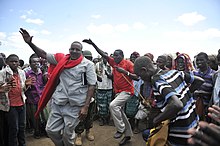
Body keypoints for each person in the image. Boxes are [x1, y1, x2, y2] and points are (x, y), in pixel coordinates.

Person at [20, 28, 97, 146]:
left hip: (75, 105)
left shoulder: (88, 65)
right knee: (50, 130)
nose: (74, 51)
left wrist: (85, 107)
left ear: (81, 51)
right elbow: (43, 54)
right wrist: (30, 43)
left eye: (77, 49)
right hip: (59, 102)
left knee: (68, 134)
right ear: (69, 50)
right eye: (72, 49)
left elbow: (91, 86)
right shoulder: (61, 59)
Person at [133, 56, 204, 145]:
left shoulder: (156, 79)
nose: (140, 78)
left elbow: (177, 104)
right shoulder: (174, 72)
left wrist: (156, 120)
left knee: (149, 135)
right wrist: (185, 94)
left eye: (140, 75)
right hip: (194, 128)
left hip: (181, 134)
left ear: (144, 70)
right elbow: (200, 81)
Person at [83, 39, 138, 145]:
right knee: (121, 113)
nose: (115, 57)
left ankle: (120, 129)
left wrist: (125, 72)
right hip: (118, 92)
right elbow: (102, 53)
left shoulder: (128, 64)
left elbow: (137, 77)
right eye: (114, 56)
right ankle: (127, 135)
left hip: (127, 91)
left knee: (113, 105)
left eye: (117, 56)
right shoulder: (113, 62)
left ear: (122, 55)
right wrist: (93, 44)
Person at [0, 54, 33, 146]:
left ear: (19, 62)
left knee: (22, 127)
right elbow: (1, 88)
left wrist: (27, 85)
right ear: (7, 62)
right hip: (10, 105)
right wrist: (3, 88)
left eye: (16, 61)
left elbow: (23, 89)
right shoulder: (2, 73)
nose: (14, 63)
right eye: (12, 61)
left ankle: (22, 144)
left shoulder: (21, 72)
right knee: (14, 129)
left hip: (22, 103)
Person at [74, 50, 96, 146]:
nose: (88, 60)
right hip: (80, 99)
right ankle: (78, 135)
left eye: (90, 58)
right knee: (80, 117)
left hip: (91, 98)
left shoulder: (92, 68)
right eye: (87, 58)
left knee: (90, 116)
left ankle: (88, 131)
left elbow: (94, 84)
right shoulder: (77, 69)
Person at [25, 53, 48, 139]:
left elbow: (46, 82)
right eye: (33, 62)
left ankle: (45, 131)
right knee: (35, 117)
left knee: (45, 116)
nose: (36, 64)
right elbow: (25, 86)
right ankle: (37, 132)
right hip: (32, 98)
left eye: (37, 62)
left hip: (42, 97)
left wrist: (45, 70)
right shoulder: (27, 73)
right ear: (30, 64)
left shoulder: (42, 72)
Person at [193, 52, 216, 121]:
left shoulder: (214, 75)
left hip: (207, 107)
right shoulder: (194, 73)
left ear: (207, 61)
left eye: (201, 60)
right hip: (194, 106)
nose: (199, 62)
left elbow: (214, 93)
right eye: (197, 60)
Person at [95, 52, 113, 126]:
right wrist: (97, 77)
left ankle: (108, 119)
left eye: (106, 57)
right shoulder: (97, 65)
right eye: (103, 57)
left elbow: (114, 77)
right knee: (101, 105)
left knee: (109, 105)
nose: (105, 58)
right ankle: (102, 119)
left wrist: (110, 76)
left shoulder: (111, 65)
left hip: (109, 88)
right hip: (100, 88)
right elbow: (93, 74)